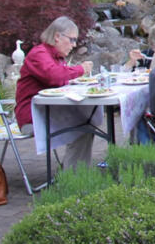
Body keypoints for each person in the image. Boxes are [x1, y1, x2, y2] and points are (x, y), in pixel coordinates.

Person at [15, 16, 95, 167]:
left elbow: (60, 77)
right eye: (71, 40)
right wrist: (81, 69)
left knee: (85, 124)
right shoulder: (39, 54)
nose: (74, 45)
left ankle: (73, 174)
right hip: (32, 116)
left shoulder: (55, 57)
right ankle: (72, 179)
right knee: (83, 128)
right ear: (57, 36)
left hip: (48, 111)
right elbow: (55, 76)